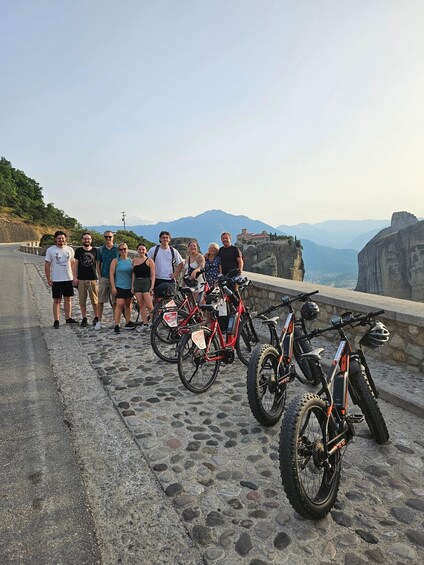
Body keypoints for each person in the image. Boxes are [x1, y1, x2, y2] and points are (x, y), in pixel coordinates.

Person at [44, 230, 78, 328]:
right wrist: (48, 278)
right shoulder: (51, 250)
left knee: (68, 299)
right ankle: (56, 320)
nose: (61, 240)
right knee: (57, 300)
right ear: (55, 239)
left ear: (65, 239)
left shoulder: (70, 249)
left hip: (68, 278)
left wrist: (74, 276)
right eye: (59, 238)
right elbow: (47, 265)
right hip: (56, 279)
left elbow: (72, 263)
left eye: (62, 238)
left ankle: (68, 318)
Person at [147, 231, 184, 300]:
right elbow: (146, 260)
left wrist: (175, 274)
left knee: (169, 300)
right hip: (157, 279)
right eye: (163, 237)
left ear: (169, 239)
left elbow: (181, 263)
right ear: (160, 239)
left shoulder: (173, 251)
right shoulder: (154, 250)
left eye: (167, 238)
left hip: (169, 279)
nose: (165, 239)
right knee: (157, 300)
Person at [73, 232, 98, 327]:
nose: (87, 240)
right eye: (85, 239)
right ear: (82, 240)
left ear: (91, 240)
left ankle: (96, 317)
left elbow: (98, 265)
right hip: (81, 279)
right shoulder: (79, 251)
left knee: (95, 301)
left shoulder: (95, 250)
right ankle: (84, 317)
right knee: (82, 301)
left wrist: (98, 276)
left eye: (88, 239)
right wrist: (75, 277)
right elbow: (75, 265)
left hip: (92, 279)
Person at [110, 244, 136, 333]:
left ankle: (128, 322)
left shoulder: (130, 261)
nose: (123, 251)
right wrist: (113, 287)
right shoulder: (115, 261)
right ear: (118, 251)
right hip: (119, 286)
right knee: (119, 304)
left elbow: (133, 274)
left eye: (125, 249)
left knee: (128, 305)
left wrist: (133, 286)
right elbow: (111, 274)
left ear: (127, 250)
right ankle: (117, 324)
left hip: (129, 286)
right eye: (121, 249)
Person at [95, 230, 118, 330]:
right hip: (104, 277)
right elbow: (98, 264)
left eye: (110, 237)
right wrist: (99, 277)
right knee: (100, 300)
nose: (108, 239)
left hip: (116, 278)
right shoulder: (100, 249)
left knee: (115, 301)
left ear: (113, 237)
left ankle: (115, 320)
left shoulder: (117, 249)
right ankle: (99, 321)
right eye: (106, 237)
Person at [132, 242, 155, 331]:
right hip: (137, 283)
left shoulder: (149, 261)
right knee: (141, 305)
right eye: (139, 249)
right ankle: (145, 324)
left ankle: (153, 324)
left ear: (146, 251)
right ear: (137, 250)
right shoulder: (134, 260)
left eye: (143, 249)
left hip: (146, 283)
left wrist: (152, 286)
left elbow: (153, 274)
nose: (141, 251)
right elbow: (133, 274)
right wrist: (132, 286)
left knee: (150, 306)